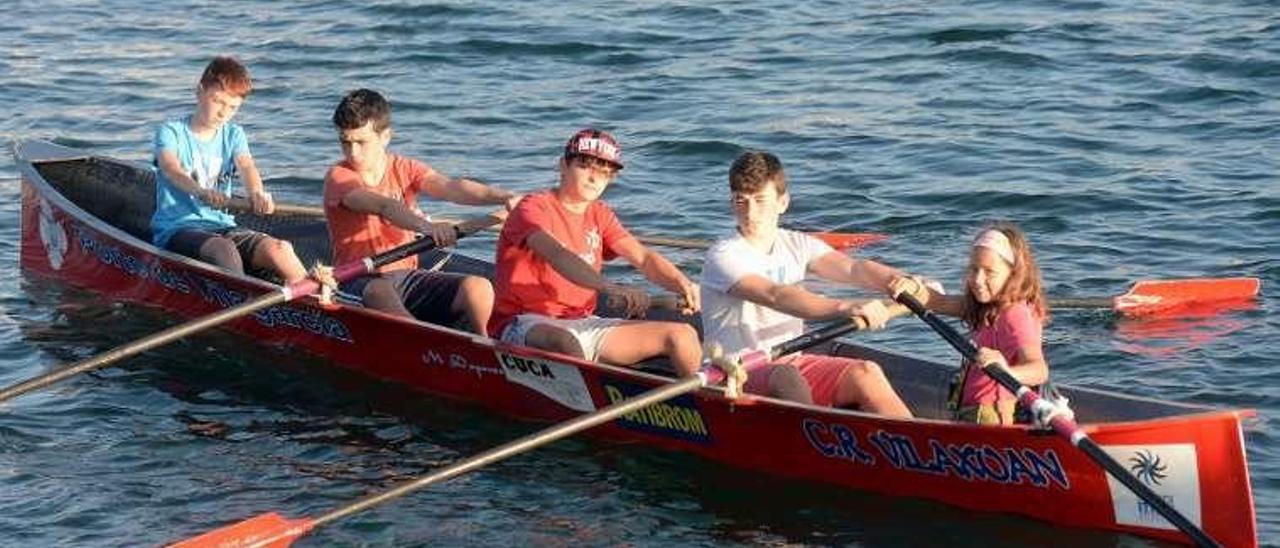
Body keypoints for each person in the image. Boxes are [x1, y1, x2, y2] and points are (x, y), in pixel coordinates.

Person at [700, 151, 929, 417]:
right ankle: (823, 442)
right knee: (786, 377)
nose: (750, 213)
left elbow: (854, 269)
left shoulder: (797, 243)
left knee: (866, 372)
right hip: (733, 371)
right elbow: (776, 295)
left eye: (760, 200)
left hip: (789, 361)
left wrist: (899, 280)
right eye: (741, 201)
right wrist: (847, 306)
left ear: (782, 202)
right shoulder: (724, 255)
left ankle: (918, 451)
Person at [490, 129, 703, 377]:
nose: (594, 179)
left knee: (682, 335)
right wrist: (610, 288)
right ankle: (590, 404)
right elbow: (558, 255)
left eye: (604, 173)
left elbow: (643, 258)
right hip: (522, 323)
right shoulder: (532, 208)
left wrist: (683, 284)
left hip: (583, 321)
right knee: (566, 343)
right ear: (562, 165)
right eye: (585, 166)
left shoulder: (600, 214)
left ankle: (714, 410)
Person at [323, 88, 519, 336]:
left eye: (361, 142)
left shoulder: (405, 168)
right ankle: (422, 341)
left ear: (385, 137)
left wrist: (505, 197)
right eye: (345, 142)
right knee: (379, 291)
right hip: (356, 280)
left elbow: (451, 188)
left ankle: (486, 345)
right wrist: (428, 228)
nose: (353, 153)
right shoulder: (338, 178)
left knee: (478, 287)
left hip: (407, 277)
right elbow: (385, 206)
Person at [151, 56, 307, 284]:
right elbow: (170, 168)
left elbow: (246, 166)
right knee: (224, 250)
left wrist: (257, 193)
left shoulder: (234, 135)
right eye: (218, 101)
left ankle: (318, 307)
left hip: (222, 226)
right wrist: (201, 192)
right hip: (177, 228)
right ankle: (243, 305)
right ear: (200, 91)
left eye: (232, 107)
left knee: (281, 249)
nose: (224, 113)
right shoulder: (171, 132)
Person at [898, 222, 1051, 425]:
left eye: (989, 272)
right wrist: (909, 284)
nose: (977, 280)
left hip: (989, 417)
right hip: (971, 412)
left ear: (1013, 274)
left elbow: (1039, 370)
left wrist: (1006, 371)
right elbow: (938, 301)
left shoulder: (1015, 314)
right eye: (974, 269)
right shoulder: (985, 306)